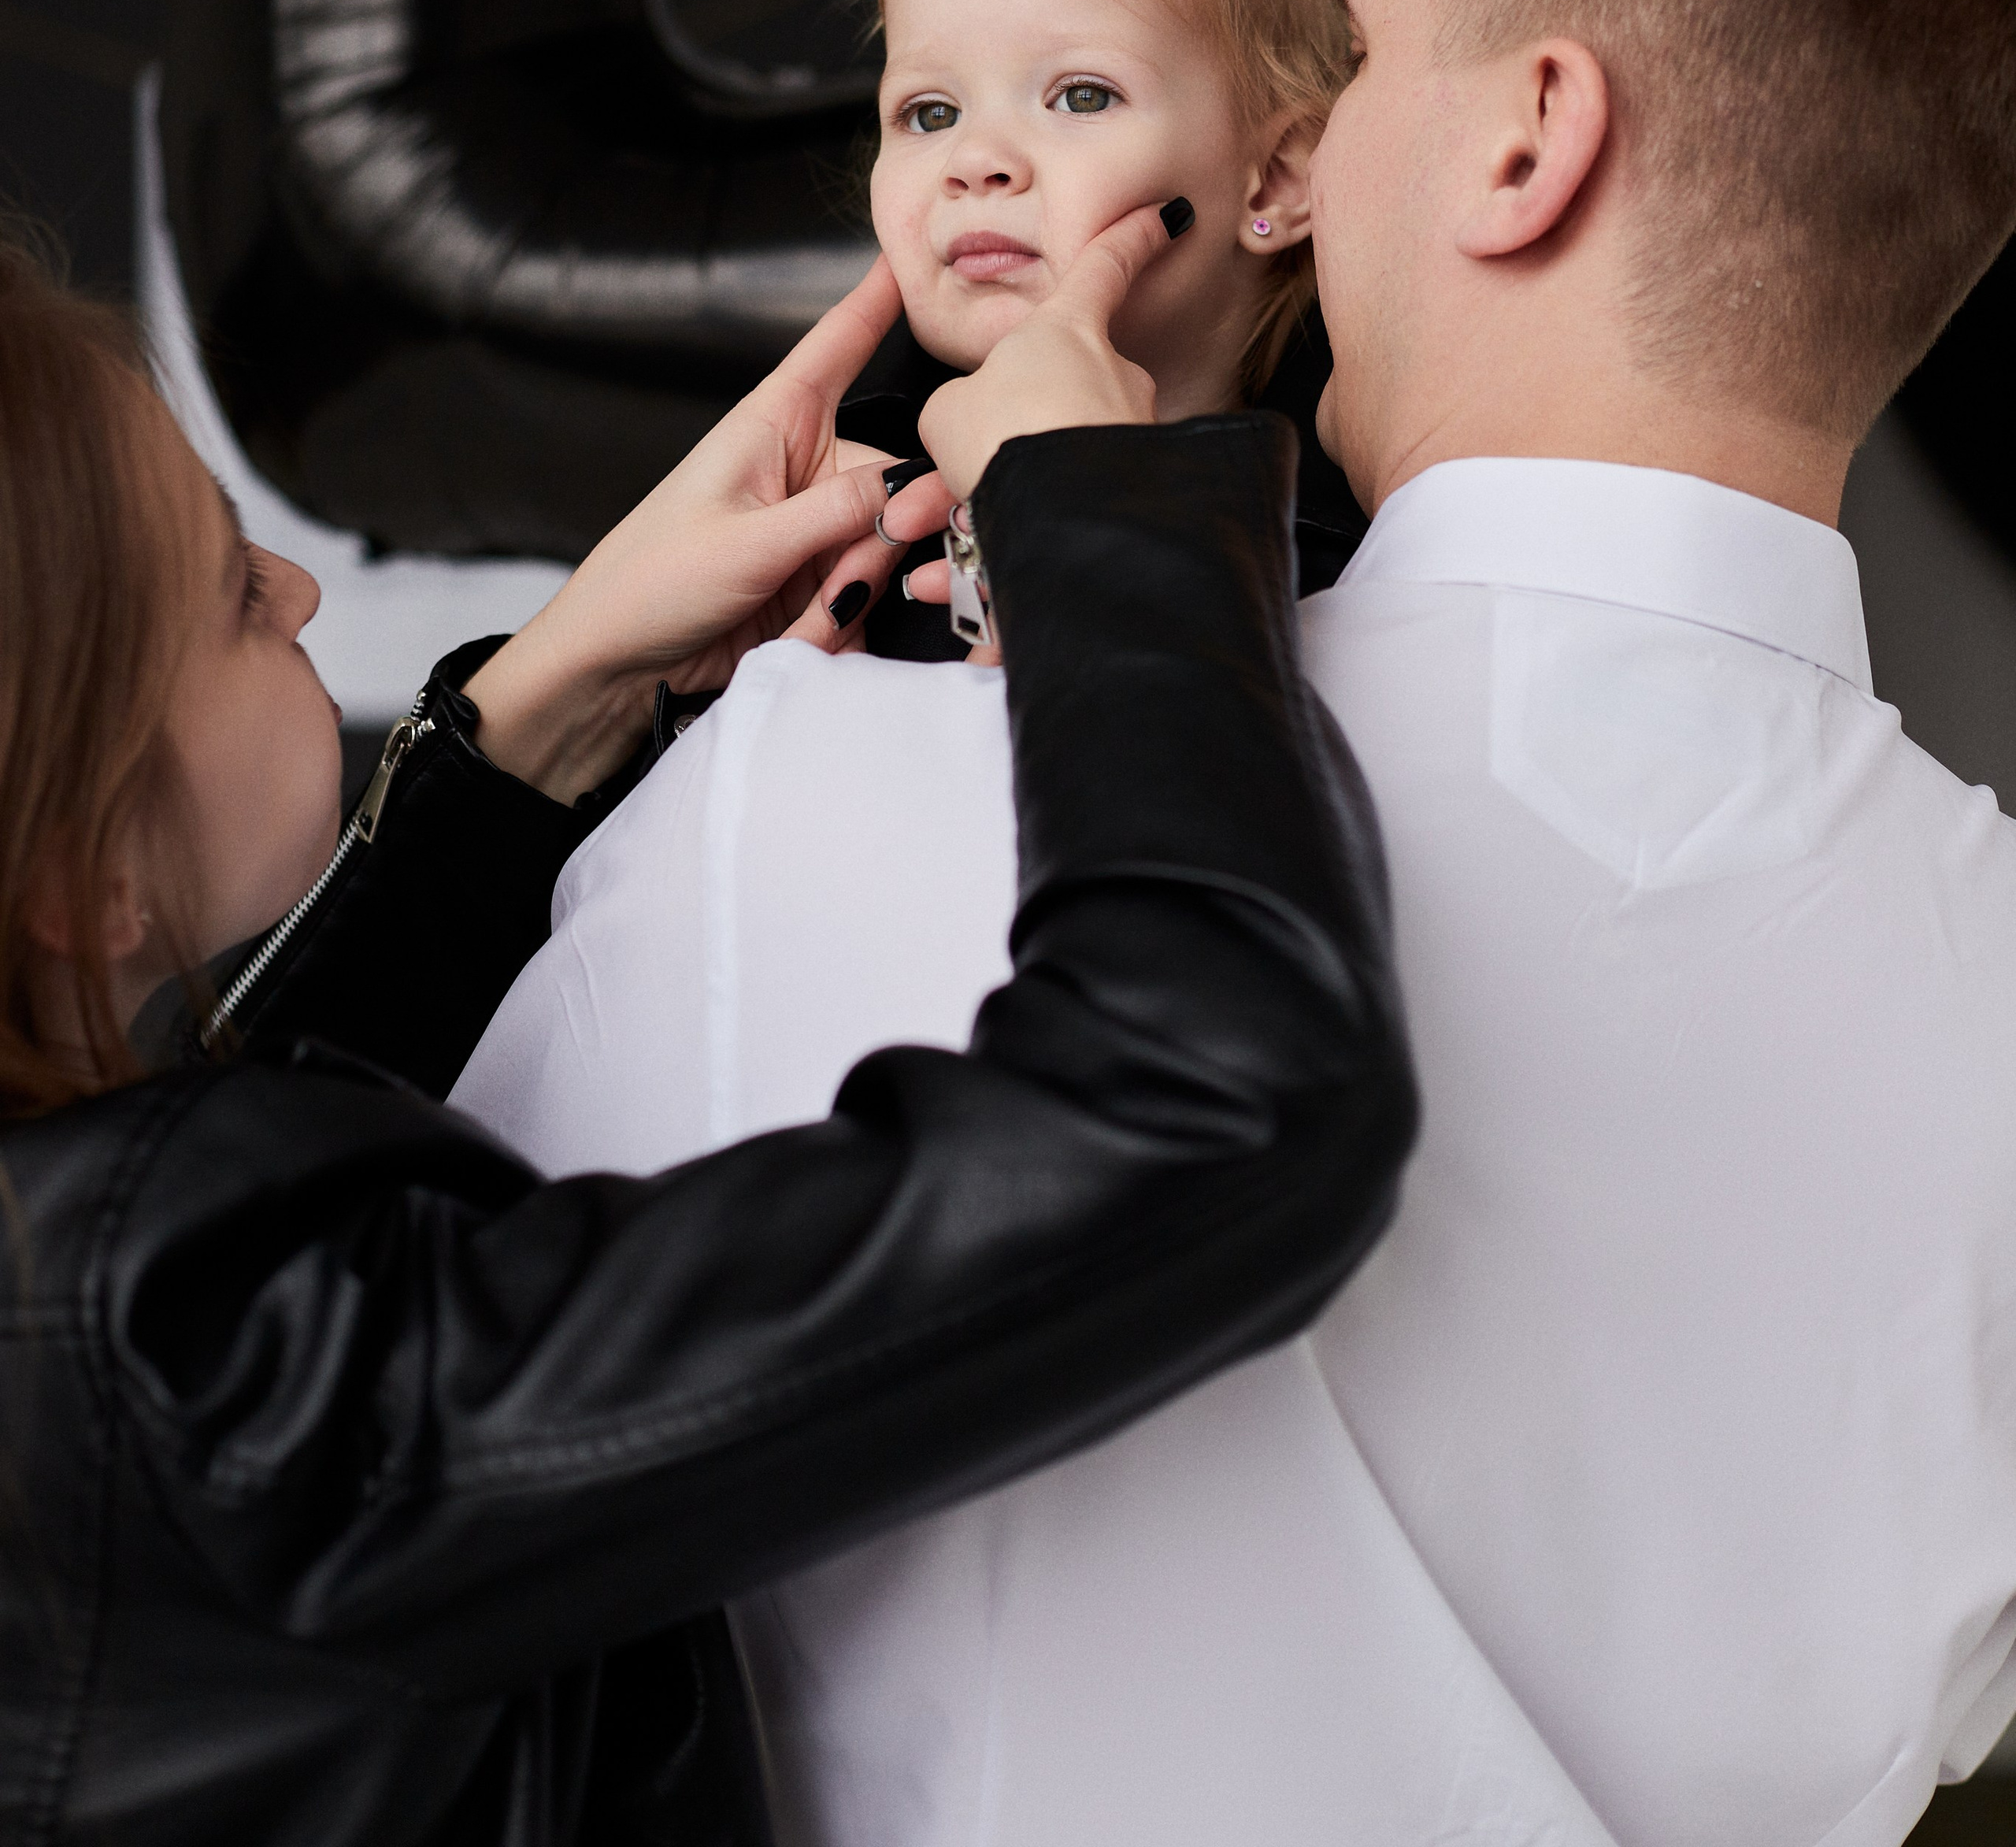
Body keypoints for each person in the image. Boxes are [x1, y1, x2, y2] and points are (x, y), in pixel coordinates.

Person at [460, 0, 2016, 1847]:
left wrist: (535, 717)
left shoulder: (829, 795)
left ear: (1525, 139)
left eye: (1356, 55)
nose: (1304, 136)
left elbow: (298, 1443)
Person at [0, 217, 1416, 1847]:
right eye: (236, 593)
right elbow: (1205, 1103)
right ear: (87, 869)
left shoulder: (120, 1331)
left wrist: (559, 695)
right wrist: (1102, 510)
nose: (303, 583)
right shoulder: (200, 1381)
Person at [825, 0, 1370, 666]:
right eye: (929, 113)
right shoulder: (826, 506)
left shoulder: (1341, 578)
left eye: (1080, 96)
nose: (975, 161)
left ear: (1275, 178)